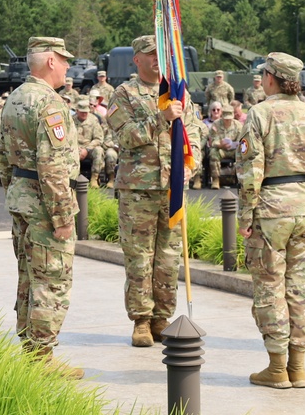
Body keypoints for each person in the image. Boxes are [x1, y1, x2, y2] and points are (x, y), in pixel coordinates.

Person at [236, 52, 305, 389]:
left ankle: (277, 367)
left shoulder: (259, 114)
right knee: (301, 288)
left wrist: (245, 214)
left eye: (264, 75)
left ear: (271, 78)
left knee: (270, 287)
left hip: (271, 208)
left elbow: (252, 170)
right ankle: (299, 367)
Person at [0, 36, 83, 379]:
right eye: (64, 60)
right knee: (52, 280)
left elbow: (1, 156)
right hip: (46, 204)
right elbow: (53, 165)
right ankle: (42, 358)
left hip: (22, 196)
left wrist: (14, 192)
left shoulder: (15, 98)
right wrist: (62, 216)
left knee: (28, 278)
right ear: (50, 61)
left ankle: (30, 351)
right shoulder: (49, 103)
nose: (67, 67)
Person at [108, 35, 202, 347]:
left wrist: (192, 164)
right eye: (149, 55)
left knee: (168, 258)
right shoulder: (124, 94)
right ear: (136, 60)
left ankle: (163, 317)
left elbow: (194, 132)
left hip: (171, 188)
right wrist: (160, 118)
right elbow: (125, 136)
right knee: (139, 258)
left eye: (159, 54)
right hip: (139, 189)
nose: (156, 60)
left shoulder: (178, 92)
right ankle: (141, 320)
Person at [207, 110, 243, 189]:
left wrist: (235, 144)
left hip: (234, 150)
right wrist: (220, 144)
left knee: (243, 153)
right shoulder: (216, 125)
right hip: (221, 149)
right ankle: (216, 179)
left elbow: (241, 140)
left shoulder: (238, 125)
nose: (227, 120)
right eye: (226, 119)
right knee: (213, 152)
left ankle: (240, 179)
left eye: (229, 119)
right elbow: (213, 140)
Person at [74, 98, 105, 187]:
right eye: (82, 112)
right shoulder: (71, 121)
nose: (84, 114)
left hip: (89, 147)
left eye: (86, 112)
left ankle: (94, 178)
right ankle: (74, 177)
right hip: (76, 147)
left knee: (99, 151)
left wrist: (87, 149)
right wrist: (77, 148)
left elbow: (98, 139)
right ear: (77, 111)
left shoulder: (94, 120)